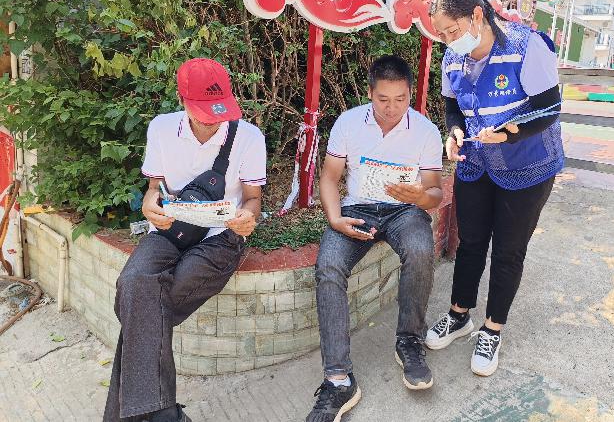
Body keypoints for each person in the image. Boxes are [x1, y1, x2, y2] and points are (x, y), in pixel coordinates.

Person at [104, 58, 266, 421]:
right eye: (203, 112)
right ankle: (163, 414)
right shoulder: (162, 129)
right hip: (170, 228)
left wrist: (248, 218)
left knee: (140, 307)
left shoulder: (248, 137)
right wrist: (149, 204)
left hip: (221, 236)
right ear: (182, 100)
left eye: (218, 111)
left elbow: (253, 199)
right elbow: (153, 189)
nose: (212, 120)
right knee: (132, 284)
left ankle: (143, 415)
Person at [424, 0, 564, 377]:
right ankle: (459, 315)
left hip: (527, 164)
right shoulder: (453, 57)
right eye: (441, 34)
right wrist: (453, 133)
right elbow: (452, 106)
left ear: (477, 16)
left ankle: (492, 329)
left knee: (508, 249)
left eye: (453, 30)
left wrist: (510, 132)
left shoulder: (526, 47)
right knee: (470, 241)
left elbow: (549, 108)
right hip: (477, 161)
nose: (449, 41)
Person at [305, 56, 444, 422]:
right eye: (383, 99)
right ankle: (338, 379)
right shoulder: (349, 123)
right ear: (370, 93)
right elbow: (329, 177)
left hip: (404, 211)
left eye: (401, 99)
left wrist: (419, 196)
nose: (392, 108)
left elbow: (435, 193)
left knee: (420, 249)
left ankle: (409, 340)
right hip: (358, 208)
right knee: (329, 266)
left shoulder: (426, 132)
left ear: (410, 93)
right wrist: (334, 218)